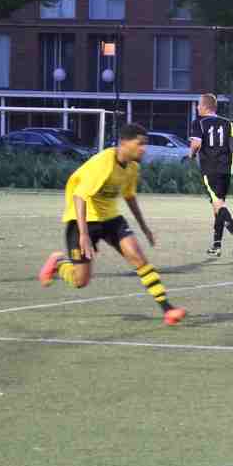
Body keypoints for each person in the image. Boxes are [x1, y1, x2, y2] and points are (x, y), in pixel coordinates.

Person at [38, 124, 184, 325]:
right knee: (80, 281)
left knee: (138, 258)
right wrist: (83, 234)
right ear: (124, 143)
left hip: (111, 219)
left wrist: (145, 228)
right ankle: (59, 263)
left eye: (145, 144)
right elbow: (79, 196)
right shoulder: (103, 163)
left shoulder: (132, 168)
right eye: (140, 144)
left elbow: (129, 196)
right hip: (83, 220)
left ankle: (168, 310)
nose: (144, 149)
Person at [189, 93, 233, 257]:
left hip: (210, 168)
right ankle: (217, 245)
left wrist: (191, 154)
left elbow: (196, 144)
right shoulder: (227, 122)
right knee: (218, 204)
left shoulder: (199, 122)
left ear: (205, 106)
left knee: (218, 204)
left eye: (199, 104)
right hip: (226, 168)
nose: (197, 107)